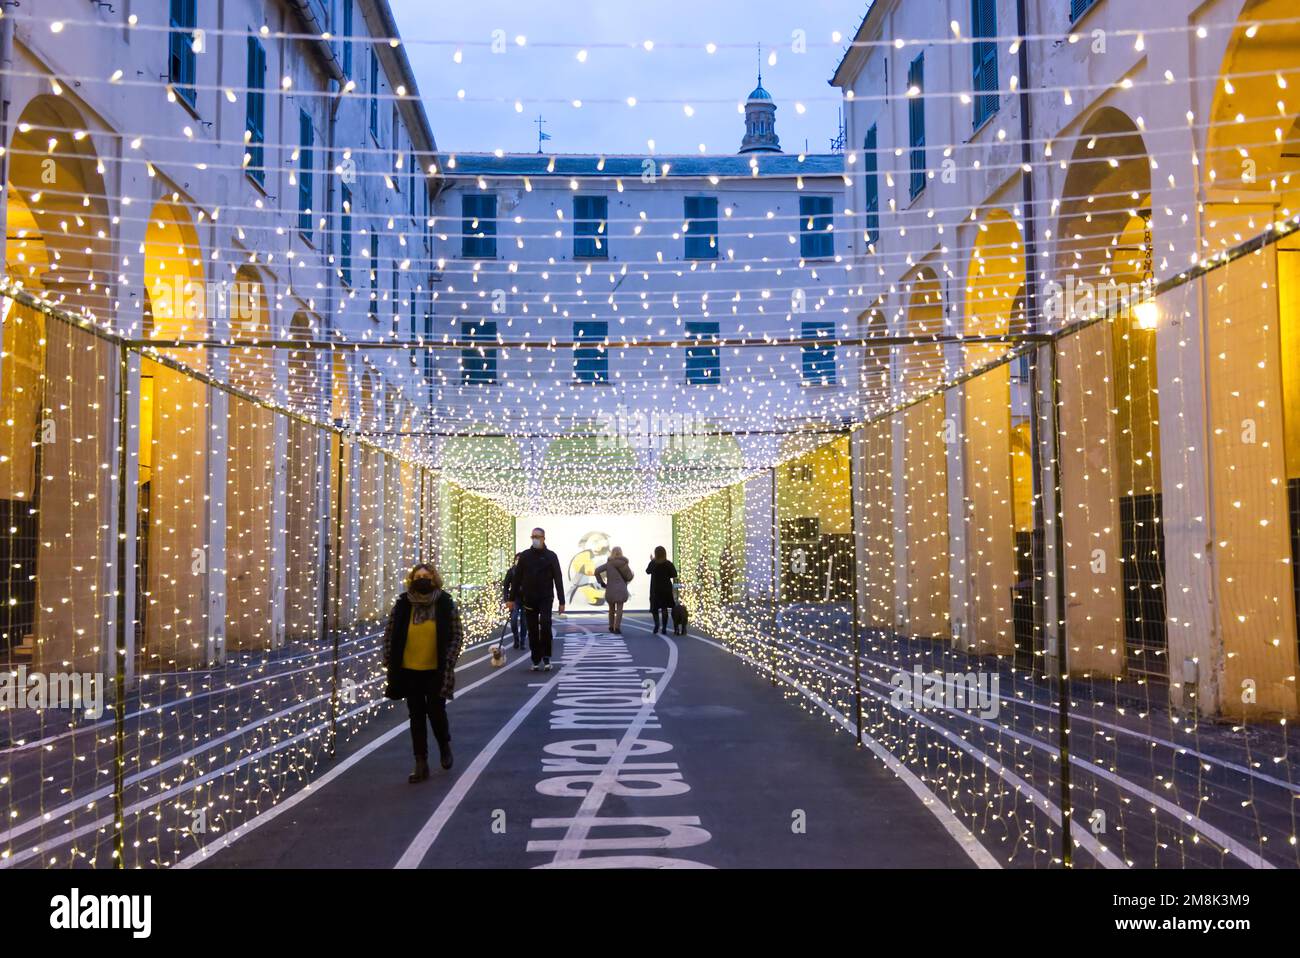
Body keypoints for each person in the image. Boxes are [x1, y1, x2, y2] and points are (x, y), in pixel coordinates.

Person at [383, 563, 463, 783]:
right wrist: (389, 659)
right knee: (416, 716)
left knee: (436, 713)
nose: (422, 579)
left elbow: (457, 634)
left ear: (434, 578)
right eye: (418, 576)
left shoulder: (445, 602)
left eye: (426, 576)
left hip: (436, 669)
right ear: (412, 579)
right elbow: (390, 633)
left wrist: (449, 659)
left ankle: (444, 745)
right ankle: (421, 763)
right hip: (409, 669)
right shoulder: (403, 603)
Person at [507, 527, 565, 671]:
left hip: (546, 597)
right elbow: (517, 579)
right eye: (533, 536)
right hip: (529, 598)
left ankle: (546, 657)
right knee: (532, 630)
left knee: (545, 625)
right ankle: (535, 658)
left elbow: (558, 578)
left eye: (538, 536)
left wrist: (561, 600)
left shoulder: (551, 556)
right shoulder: (525, 556)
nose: (535, 539)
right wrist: (511, 598)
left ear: (544, 538)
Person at [595, 545, 633, 634]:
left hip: (610, 589)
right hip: (621, 589)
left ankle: (611, 626)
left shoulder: (608, 564)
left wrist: (601, 582)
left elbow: (596, 571)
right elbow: (629, 577)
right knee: (619, 608)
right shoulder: (624, 564)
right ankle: (617, 628)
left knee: (611, 609)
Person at [646, 546, 679, 635]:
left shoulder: (653, 563)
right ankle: (664, 627)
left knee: (654, 608)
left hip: (655, 588)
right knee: (664, 608)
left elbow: (647, 571)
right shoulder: (668, 563)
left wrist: (652, 560)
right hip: (666, 589)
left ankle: (657, 624)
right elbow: (674, 574)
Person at [502, 553, 527, 650]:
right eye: (517, 559)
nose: (518, 561)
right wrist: (506, 599)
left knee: (524, 622)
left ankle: (522, 641)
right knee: (513, 620)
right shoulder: (511, 571)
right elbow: (506, 586)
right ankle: (516, 638)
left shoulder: (527, 571)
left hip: (525, 600)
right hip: (514, 600)